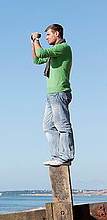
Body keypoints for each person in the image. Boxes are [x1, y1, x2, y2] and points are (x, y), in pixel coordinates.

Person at [31, 24, 74, 167]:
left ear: (57, 34)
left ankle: (66, 156)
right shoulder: (54, 53)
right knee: (48, 126)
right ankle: (57, 156)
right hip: (51, 95)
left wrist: (37, 39)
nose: (47, 37)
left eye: (48, 35)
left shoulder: (63, 48)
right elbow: (37, 59)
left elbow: (42, 53)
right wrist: (33, 42)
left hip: (60, 92)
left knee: (62, 125)